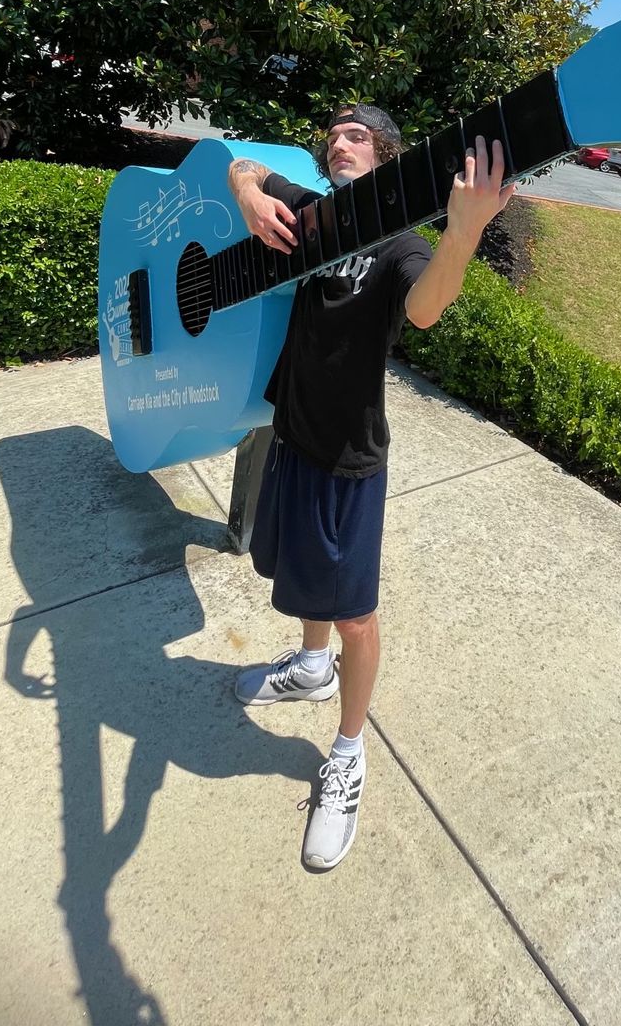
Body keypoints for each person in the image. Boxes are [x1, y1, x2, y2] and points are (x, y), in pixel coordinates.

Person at [226, 103, 514, 871]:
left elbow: (424, 310)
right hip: (291, 434)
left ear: (386, 156)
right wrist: (248, 193)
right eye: (333, 136)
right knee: (301, 583)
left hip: (347, 459)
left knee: (354, 616)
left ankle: (349, 753)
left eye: (356, 137)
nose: (338, 143)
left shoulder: (401, 245)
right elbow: (242, 164)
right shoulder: (316, 214)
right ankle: (310, 669)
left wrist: (464, 232)